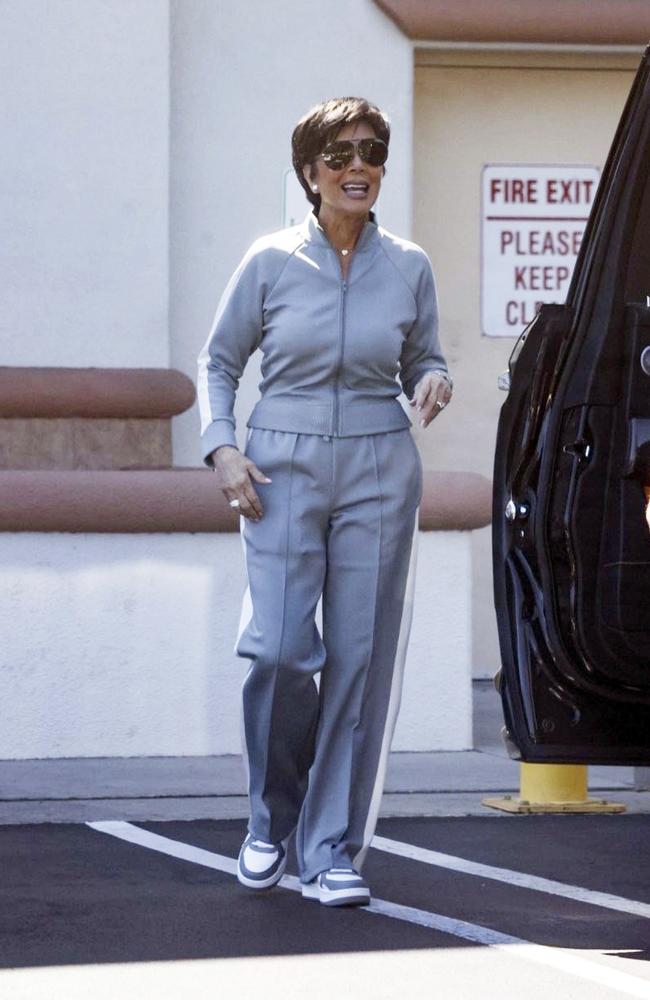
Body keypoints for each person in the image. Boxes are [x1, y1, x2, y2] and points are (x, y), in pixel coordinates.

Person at [197, 97, 452, 907]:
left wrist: (432, 378)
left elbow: (425, 353)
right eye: (339, 156)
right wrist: (222, 446)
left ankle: (333, 847)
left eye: (371, 152)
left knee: (357, 658)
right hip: (281, 465)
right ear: (309, 173)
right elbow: (219, 362)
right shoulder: (270, 262)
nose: (357, 167)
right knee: (276, 650)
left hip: (380, 462)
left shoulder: (408, 264)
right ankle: (269, 822)